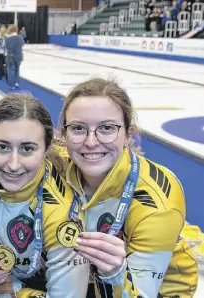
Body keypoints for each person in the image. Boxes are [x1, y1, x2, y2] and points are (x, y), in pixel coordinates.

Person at [59, 77, 198, 297]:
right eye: (78, 128)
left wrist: (114, 273)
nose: (91, 142)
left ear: (128, 134)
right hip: (88, 279)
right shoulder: (61, 166)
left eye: (106, 128)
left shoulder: (157, 203)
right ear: (63, 135)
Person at [0, 93, 89, 297]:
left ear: (46, 149)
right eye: (2, 147)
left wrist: (11, 290)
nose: (13, 164)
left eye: (27, 149)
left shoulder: (62, 214)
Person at [5, 24, 24, 90]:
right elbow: (22, 44)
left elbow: (6, 46)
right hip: (19, 56)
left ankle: (11, 84)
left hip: (11, 56)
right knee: (17, 69)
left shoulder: (8, 38)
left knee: (11, 70)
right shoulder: (20, 38)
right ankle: (17, 82)